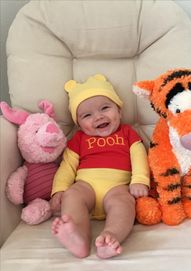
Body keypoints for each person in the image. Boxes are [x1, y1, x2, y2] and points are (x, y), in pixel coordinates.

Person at [50, 74, 150, 259]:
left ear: (119, 111)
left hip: (117, 187)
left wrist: (140, 180)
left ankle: (111, 236)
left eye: (105, 108)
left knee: (125, 204)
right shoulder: (79, 139)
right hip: (85, 185)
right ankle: (79, 236)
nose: (98, 117)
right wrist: (59, 190)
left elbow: (139, 156)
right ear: (79, 123)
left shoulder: (128, 133)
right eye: (87, 115)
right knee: (72, 195)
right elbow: (67, 166)